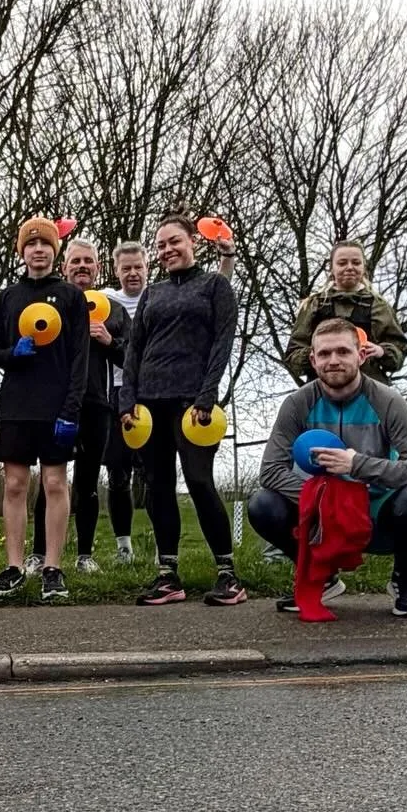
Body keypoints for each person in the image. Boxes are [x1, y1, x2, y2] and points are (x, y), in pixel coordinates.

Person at [251, 318, 407, 617]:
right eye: (325, 354)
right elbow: (271, 471)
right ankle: (321, 575)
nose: (334, 361)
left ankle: (405, 579)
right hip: (322, 515)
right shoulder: (297, 404)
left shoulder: (388, 400)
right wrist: (323, 500)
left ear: (361, 355)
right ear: (313, 360)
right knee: (262, 504)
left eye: (343, 351)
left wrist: (357, 464)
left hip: (376, 511)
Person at [120, 213, 244, 607]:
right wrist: (128, 400)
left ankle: (228, 574)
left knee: (199, 480)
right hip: (148, 405)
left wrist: (207, 396)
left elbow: (222, 345)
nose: (168, 250)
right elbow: (134, 350)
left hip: (194, 403)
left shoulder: (214, 287)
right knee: (157, 487)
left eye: (174, 241)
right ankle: (167, 576)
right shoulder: (153, 294)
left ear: (193, 241)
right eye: (160, 245)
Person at [0, 217, 90, 601]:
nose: (39, 250)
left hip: (57, 405)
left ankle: (53, 568)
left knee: (54, 483)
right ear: (22, 252)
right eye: (31, 245)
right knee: (14, 484)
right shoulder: (7, 297)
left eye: (45, 244)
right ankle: (14, 567)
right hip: (16, 404)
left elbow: (80, 357)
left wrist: (71, 409)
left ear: (54, 251)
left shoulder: (72, 297)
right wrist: (12, 353)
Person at [29, 237, 130, 574]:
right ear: (64, 267)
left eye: (89, 261)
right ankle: (39, 554)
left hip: (96, 403)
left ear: (98, 268)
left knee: (87, 481)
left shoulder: (111, 309)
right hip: (51, 404)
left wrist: (109, 341)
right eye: (76, 262)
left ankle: (84, 555)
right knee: (50, 480)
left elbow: (132, 357)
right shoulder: (48, 303)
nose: (82, 267)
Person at [284, 241, 407, 386]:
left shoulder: (380, 306)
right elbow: (292, 357)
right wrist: (320, 354)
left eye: (356, 262)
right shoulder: (313, 305)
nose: (350, 267)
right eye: (342, 263)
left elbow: (400, 353)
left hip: (370, 393)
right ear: (331, 268)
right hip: (322, 393)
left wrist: (381, 351)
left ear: (364, 267)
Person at [101, 240, 148, 564]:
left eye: (138, 267)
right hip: (114, 395)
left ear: (147, 267)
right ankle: (124, 547)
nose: (132, 273)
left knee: (156, 473)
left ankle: (164, 548)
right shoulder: (105, 300)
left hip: (150, 394)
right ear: (116, 270)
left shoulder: (159, 297)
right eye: (126, 268)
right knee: (118, 474)